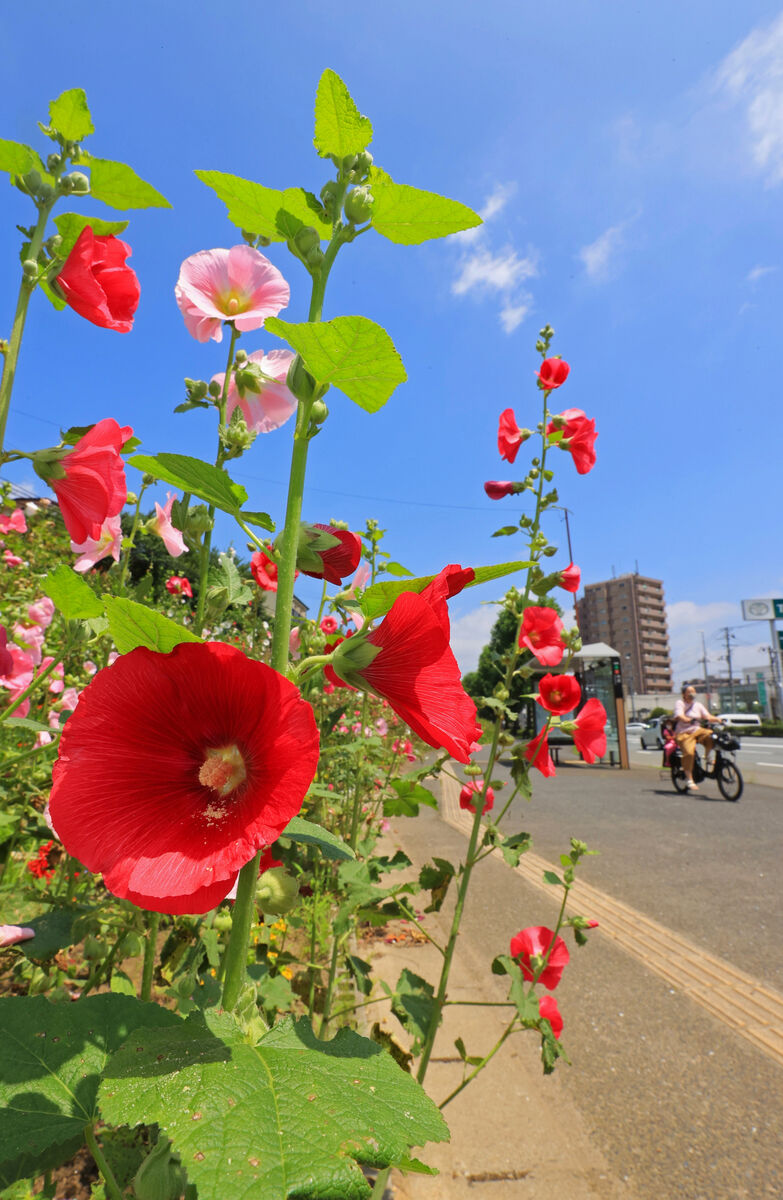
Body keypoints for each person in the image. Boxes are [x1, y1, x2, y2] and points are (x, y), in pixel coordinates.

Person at [673, 684, 718, 791]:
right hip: (684, 733)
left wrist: (718, 719)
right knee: (689, 753)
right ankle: (689, 779)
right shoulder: (680, 703)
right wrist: (686, 719)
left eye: (694, 691)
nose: (692, 694)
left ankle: (707, 756)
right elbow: (679, 715)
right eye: (689, 692)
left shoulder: (698, 705)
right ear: (684, 694)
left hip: (697, 730)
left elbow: (707, 716)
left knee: (711, 735)